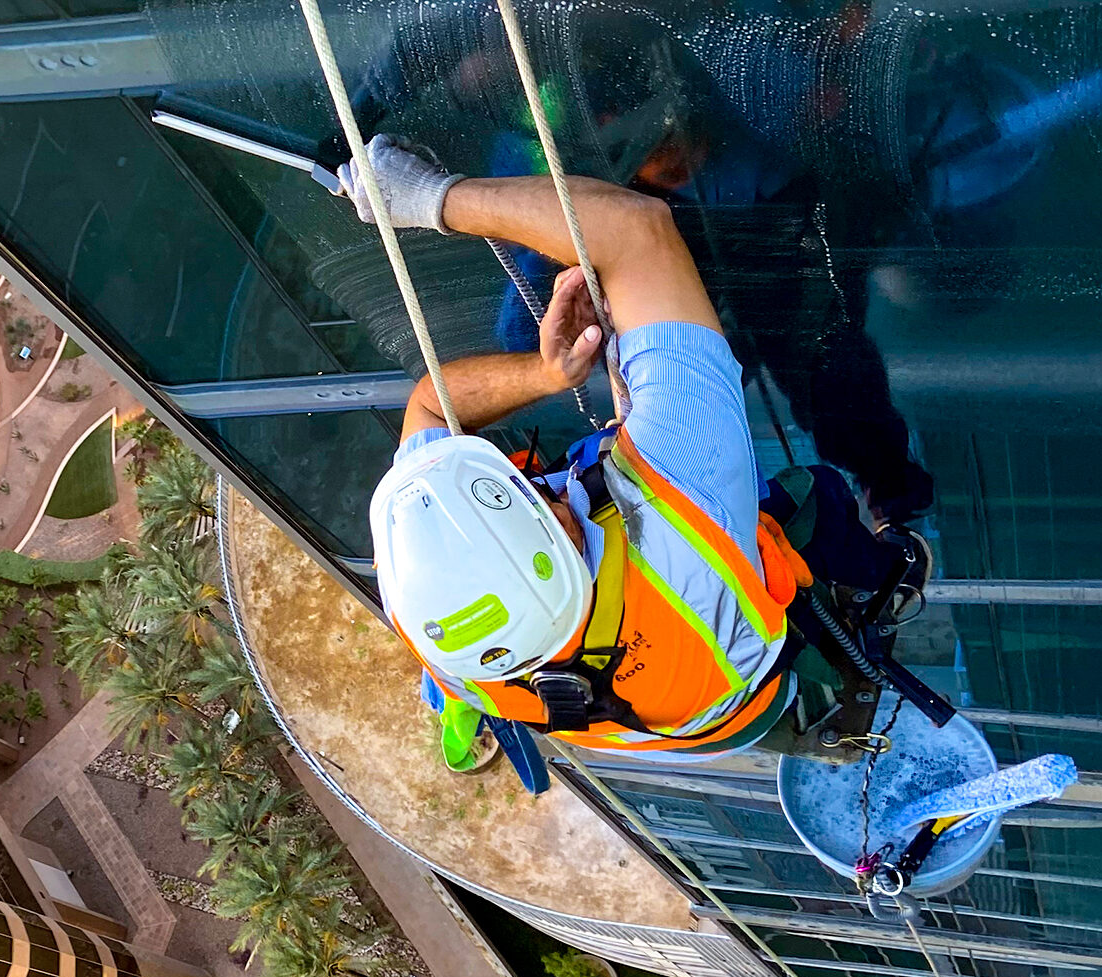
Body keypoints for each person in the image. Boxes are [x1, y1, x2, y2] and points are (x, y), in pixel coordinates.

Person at [347, 135, 923, 766]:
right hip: (743, 682)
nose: (535, 483)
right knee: (814, 494)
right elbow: (634, 230)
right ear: (565, 540)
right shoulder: (681, 512)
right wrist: (428, 198)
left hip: (659, 719)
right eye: (535, 498)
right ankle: (890, 571)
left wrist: (548, 374)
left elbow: (431, 407)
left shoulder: (433, 609)